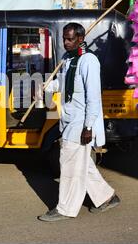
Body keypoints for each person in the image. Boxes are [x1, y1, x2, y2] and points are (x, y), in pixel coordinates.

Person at [38, 23, 120, 222]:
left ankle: (65, 208)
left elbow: (94, 97)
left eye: (70, 39)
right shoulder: (68, 59)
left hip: (81, 122)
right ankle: (107, 198)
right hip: (67, 118)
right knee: (82, 164)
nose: (66, 42)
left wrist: (89, 127)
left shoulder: (89, 61)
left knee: (69, 165)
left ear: (81, 38)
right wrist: (47, 86)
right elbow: (63, 85)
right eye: (64, 38)